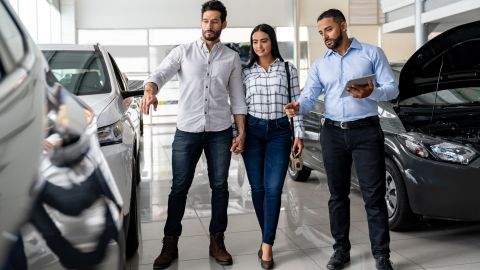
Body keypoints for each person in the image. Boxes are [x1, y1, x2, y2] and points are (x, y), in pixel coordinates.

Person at [285, 9, 398, 270]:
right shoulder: (320, 64)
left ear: (343, 26)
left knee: (374, 195)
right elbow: (310, 96)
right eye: (321, 32)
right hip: (333, 133)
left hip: (366, 132)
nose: (325, 36)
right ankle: (340, 250)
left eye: (329, 29)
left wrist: (372, 92)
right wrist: (297, 106)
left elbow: (393, 89)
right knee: (337, 195)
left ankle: (382, 255)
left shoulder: (372, 53)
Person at [140, 1, 247, 269]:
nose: (209, 26)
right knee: (179, 188)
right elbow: (159, 74)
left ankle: (217, 241)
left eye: (215, 21)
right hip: (187, 131)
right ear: (201, 22)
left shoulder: (231, 57)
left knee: (220, 187)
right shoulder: (183, 52)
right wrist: (151, 90)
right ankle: (169, 243)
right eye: (205, 21)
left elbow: (237, 98)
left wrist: (241, 132)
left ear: (224, 24)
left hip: (220, 132)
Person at [241, 24, 304, 269]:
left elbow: (295, 104)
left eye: (264, 40)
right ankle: (267, 237)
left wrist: (298, 134)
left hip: (279, 132)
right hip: (253, 131)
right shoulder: (245, 72)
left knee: (274, 188)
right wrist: (239, 134)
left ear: (272, 42)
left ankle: (267, 246)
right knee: (257, 189)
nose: (259, 46)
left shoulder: (288, 69)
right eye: (255, 41)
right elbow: (237, 105)